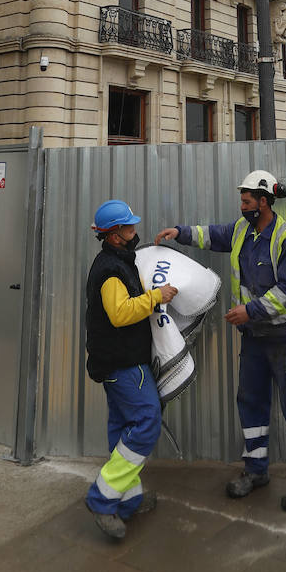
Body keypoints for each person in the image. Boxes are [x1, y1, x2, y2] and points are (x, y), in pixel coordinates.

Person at [155, 169, 286, 513]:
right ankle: (256, 470)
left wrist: (249, 311)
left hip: (284, 339)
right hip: (253, 340)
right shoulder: (242, 230)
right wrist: (180, 233)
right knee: (250, 402)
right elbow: (214, 235)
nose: (242, 205)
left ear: (263, 202)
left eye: (246, 200)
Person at [85, 198, 179, 541]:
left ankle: (128, 499)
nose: (134, 231)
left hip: (116, 361)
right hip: (123, 363)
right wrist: (156, 297)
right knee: (146, 421)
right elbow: (120, 313)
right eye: (129, 227)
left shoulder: (119, 260)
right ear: (114, 236)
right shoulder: (110, 269)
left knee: (123, 426)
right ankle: (102, 498)